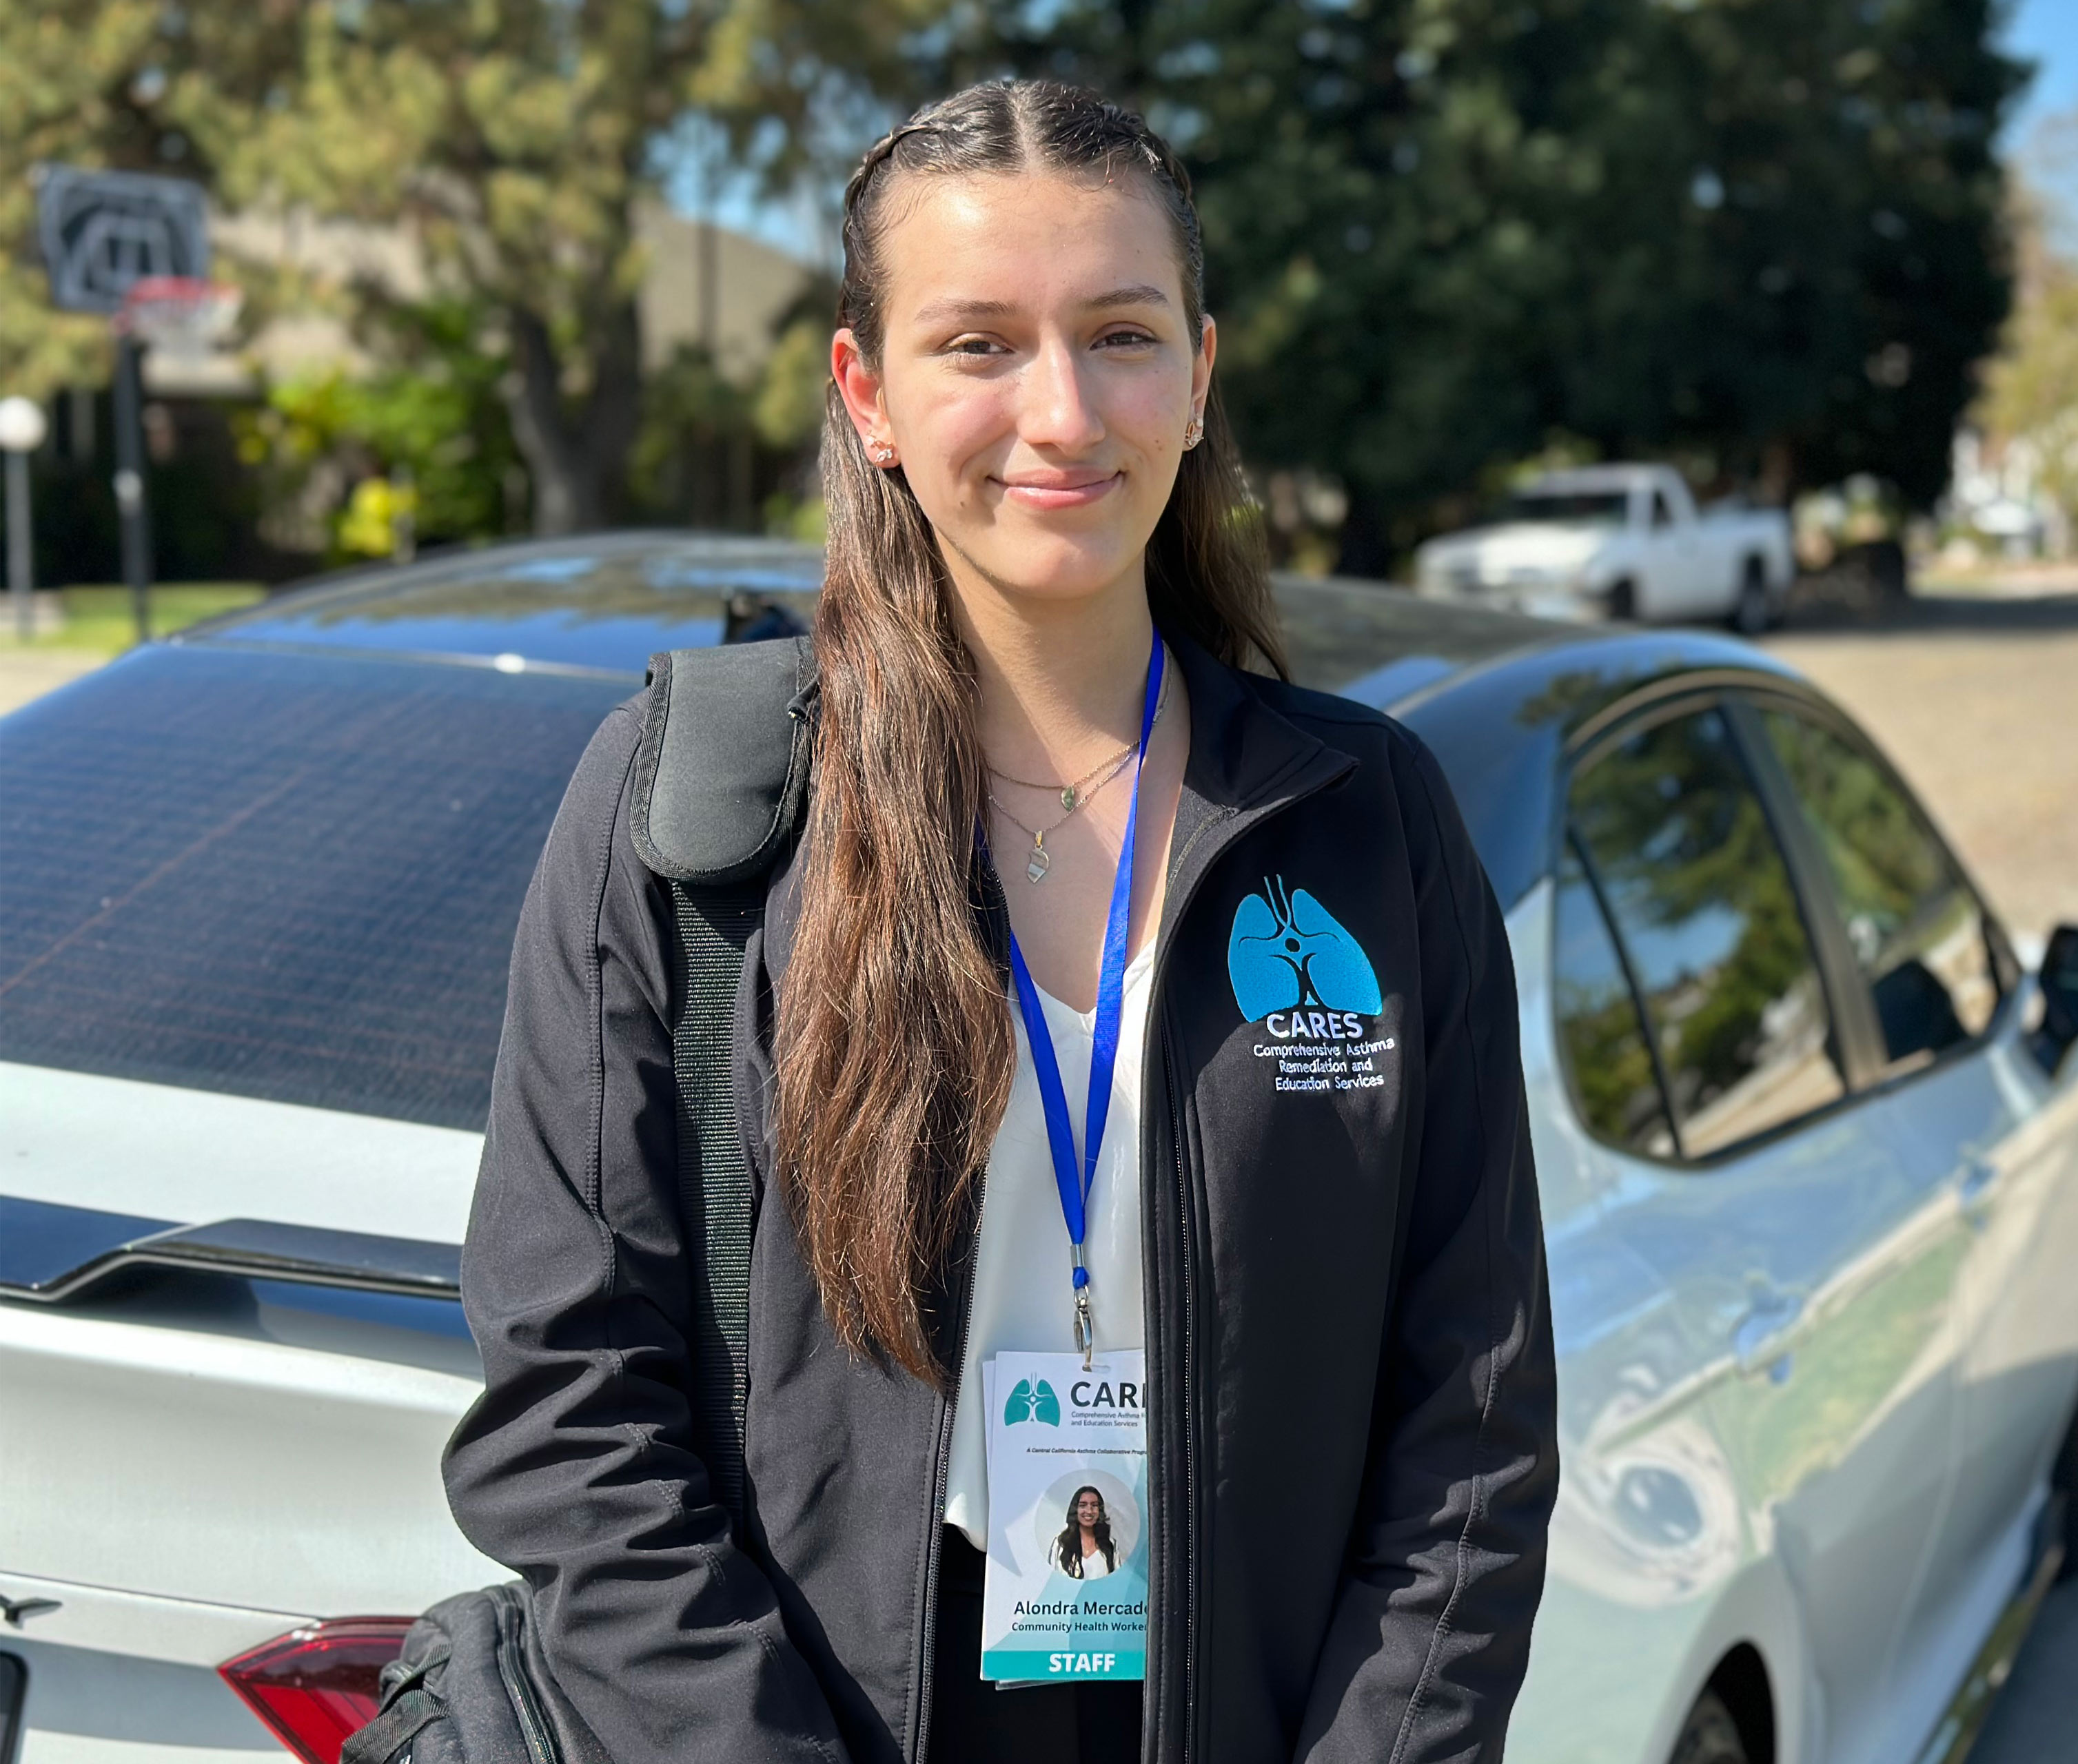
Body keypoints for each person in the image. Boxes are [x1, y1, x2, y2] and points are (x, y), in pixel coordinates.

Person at [442, 78, 1555, 1764]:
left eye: (1119, 332)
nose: (1062, 411)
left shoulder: (1362, 825)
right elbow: (572, 1398)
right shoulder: (696, 814)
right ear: (867, 391)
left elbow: (1470, 1413)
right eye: (977, 343)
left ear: (1198, 375)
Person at [1057, 1486, 1119, 1579]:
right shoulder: (1060, 1544)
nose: (1089, 1511)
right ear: (1075, 1509)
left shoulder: (1111, 1545)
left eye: (1094, 1506)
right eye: (1083, 1505)